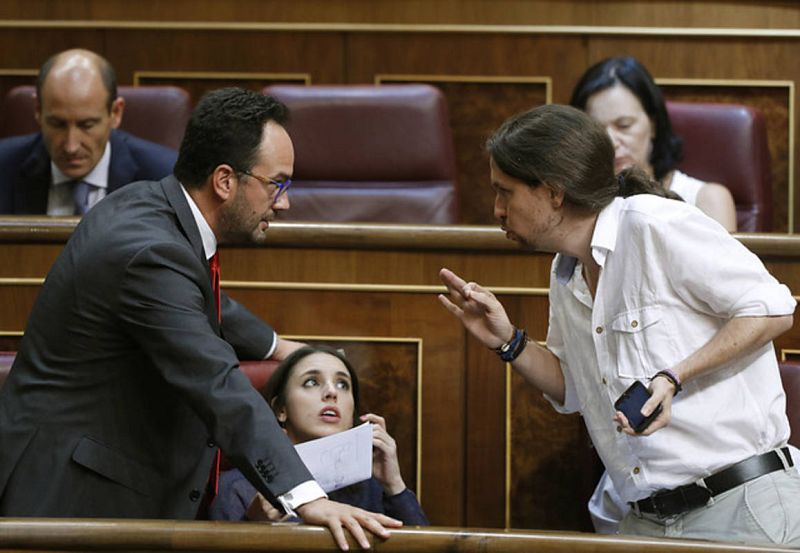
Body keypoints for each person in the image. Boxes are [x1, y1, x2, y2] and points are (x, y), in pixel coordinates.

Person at [0, 87, 401, 551]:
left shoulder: (150, 209)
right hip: (72, 498)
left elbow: (200, 304)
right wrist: (307, 497)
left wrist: (278, 346)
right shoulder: (151, 252)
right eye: (278, 184)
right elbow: (217, 382)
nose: (285, 202)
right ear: (225, 181)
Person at [438, 103, 800, 546]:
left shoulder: (654, 224)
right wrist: (509, 342)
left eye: (505, 192)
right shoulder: (564, 271)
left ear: (554, 192)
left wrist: (674, 376)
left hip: (740, 505)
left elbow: (772, 307)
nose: (496, 210)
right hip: (648, 520)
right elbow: (573, 389)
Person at [210, 345, 428, 525]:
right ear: (280, 410)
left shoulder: (370, 485)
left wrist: (394, 486)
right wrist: (253, 525)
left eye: (343, 384)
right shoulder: (238, 486)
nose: (332, 392)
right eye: (311, 382)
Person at [570, 56, 737, 232]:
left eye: (624, 125)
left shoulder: (706, 199)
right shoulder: (577, 205)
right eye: (597, 130)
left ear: (653, 125)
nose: (611, 143)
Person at [0, 48, 176, 215]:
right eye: (57, 124)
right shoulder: (4, 167)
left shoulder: (165, 179)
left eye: (87, 125)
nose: (71, 146)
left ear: (115, 113)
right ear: (38, 110)